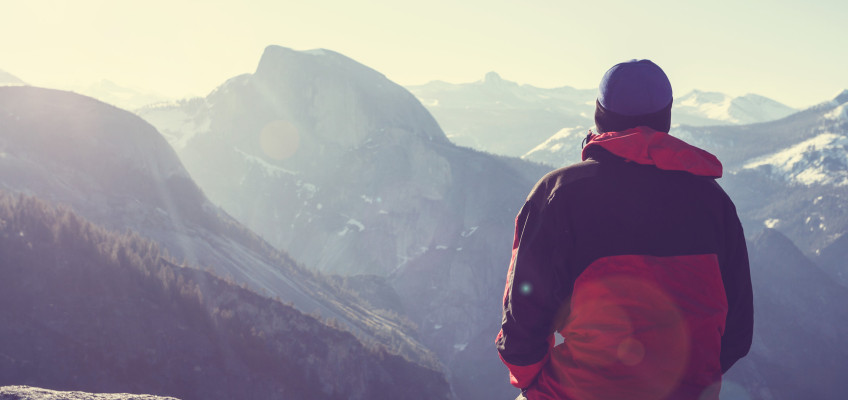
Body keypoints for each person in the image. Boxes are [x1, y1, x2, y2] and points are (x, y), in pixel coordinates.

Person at [495, 59, 753, 400]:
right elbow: (737, 332)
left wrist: (534, 384)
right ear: (667, 118)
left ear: (600, 115)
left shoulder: (560, 194)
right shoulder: (714, 204)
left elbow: (521, 325)